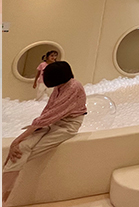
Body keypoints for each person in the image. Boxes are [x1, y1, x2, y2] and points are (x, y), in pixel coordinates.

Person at [3, 62, 87, 206]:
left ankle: (3, 195)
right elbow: (49, 110)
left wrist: (17, 140)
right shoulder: (60, 86)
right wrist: (26, 135)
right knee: (22, 148)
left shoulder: (73, 87)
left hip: (68, 125)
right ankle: (4, 194)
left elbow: (52, 113)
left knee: (21, 152)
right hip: (53, 121)